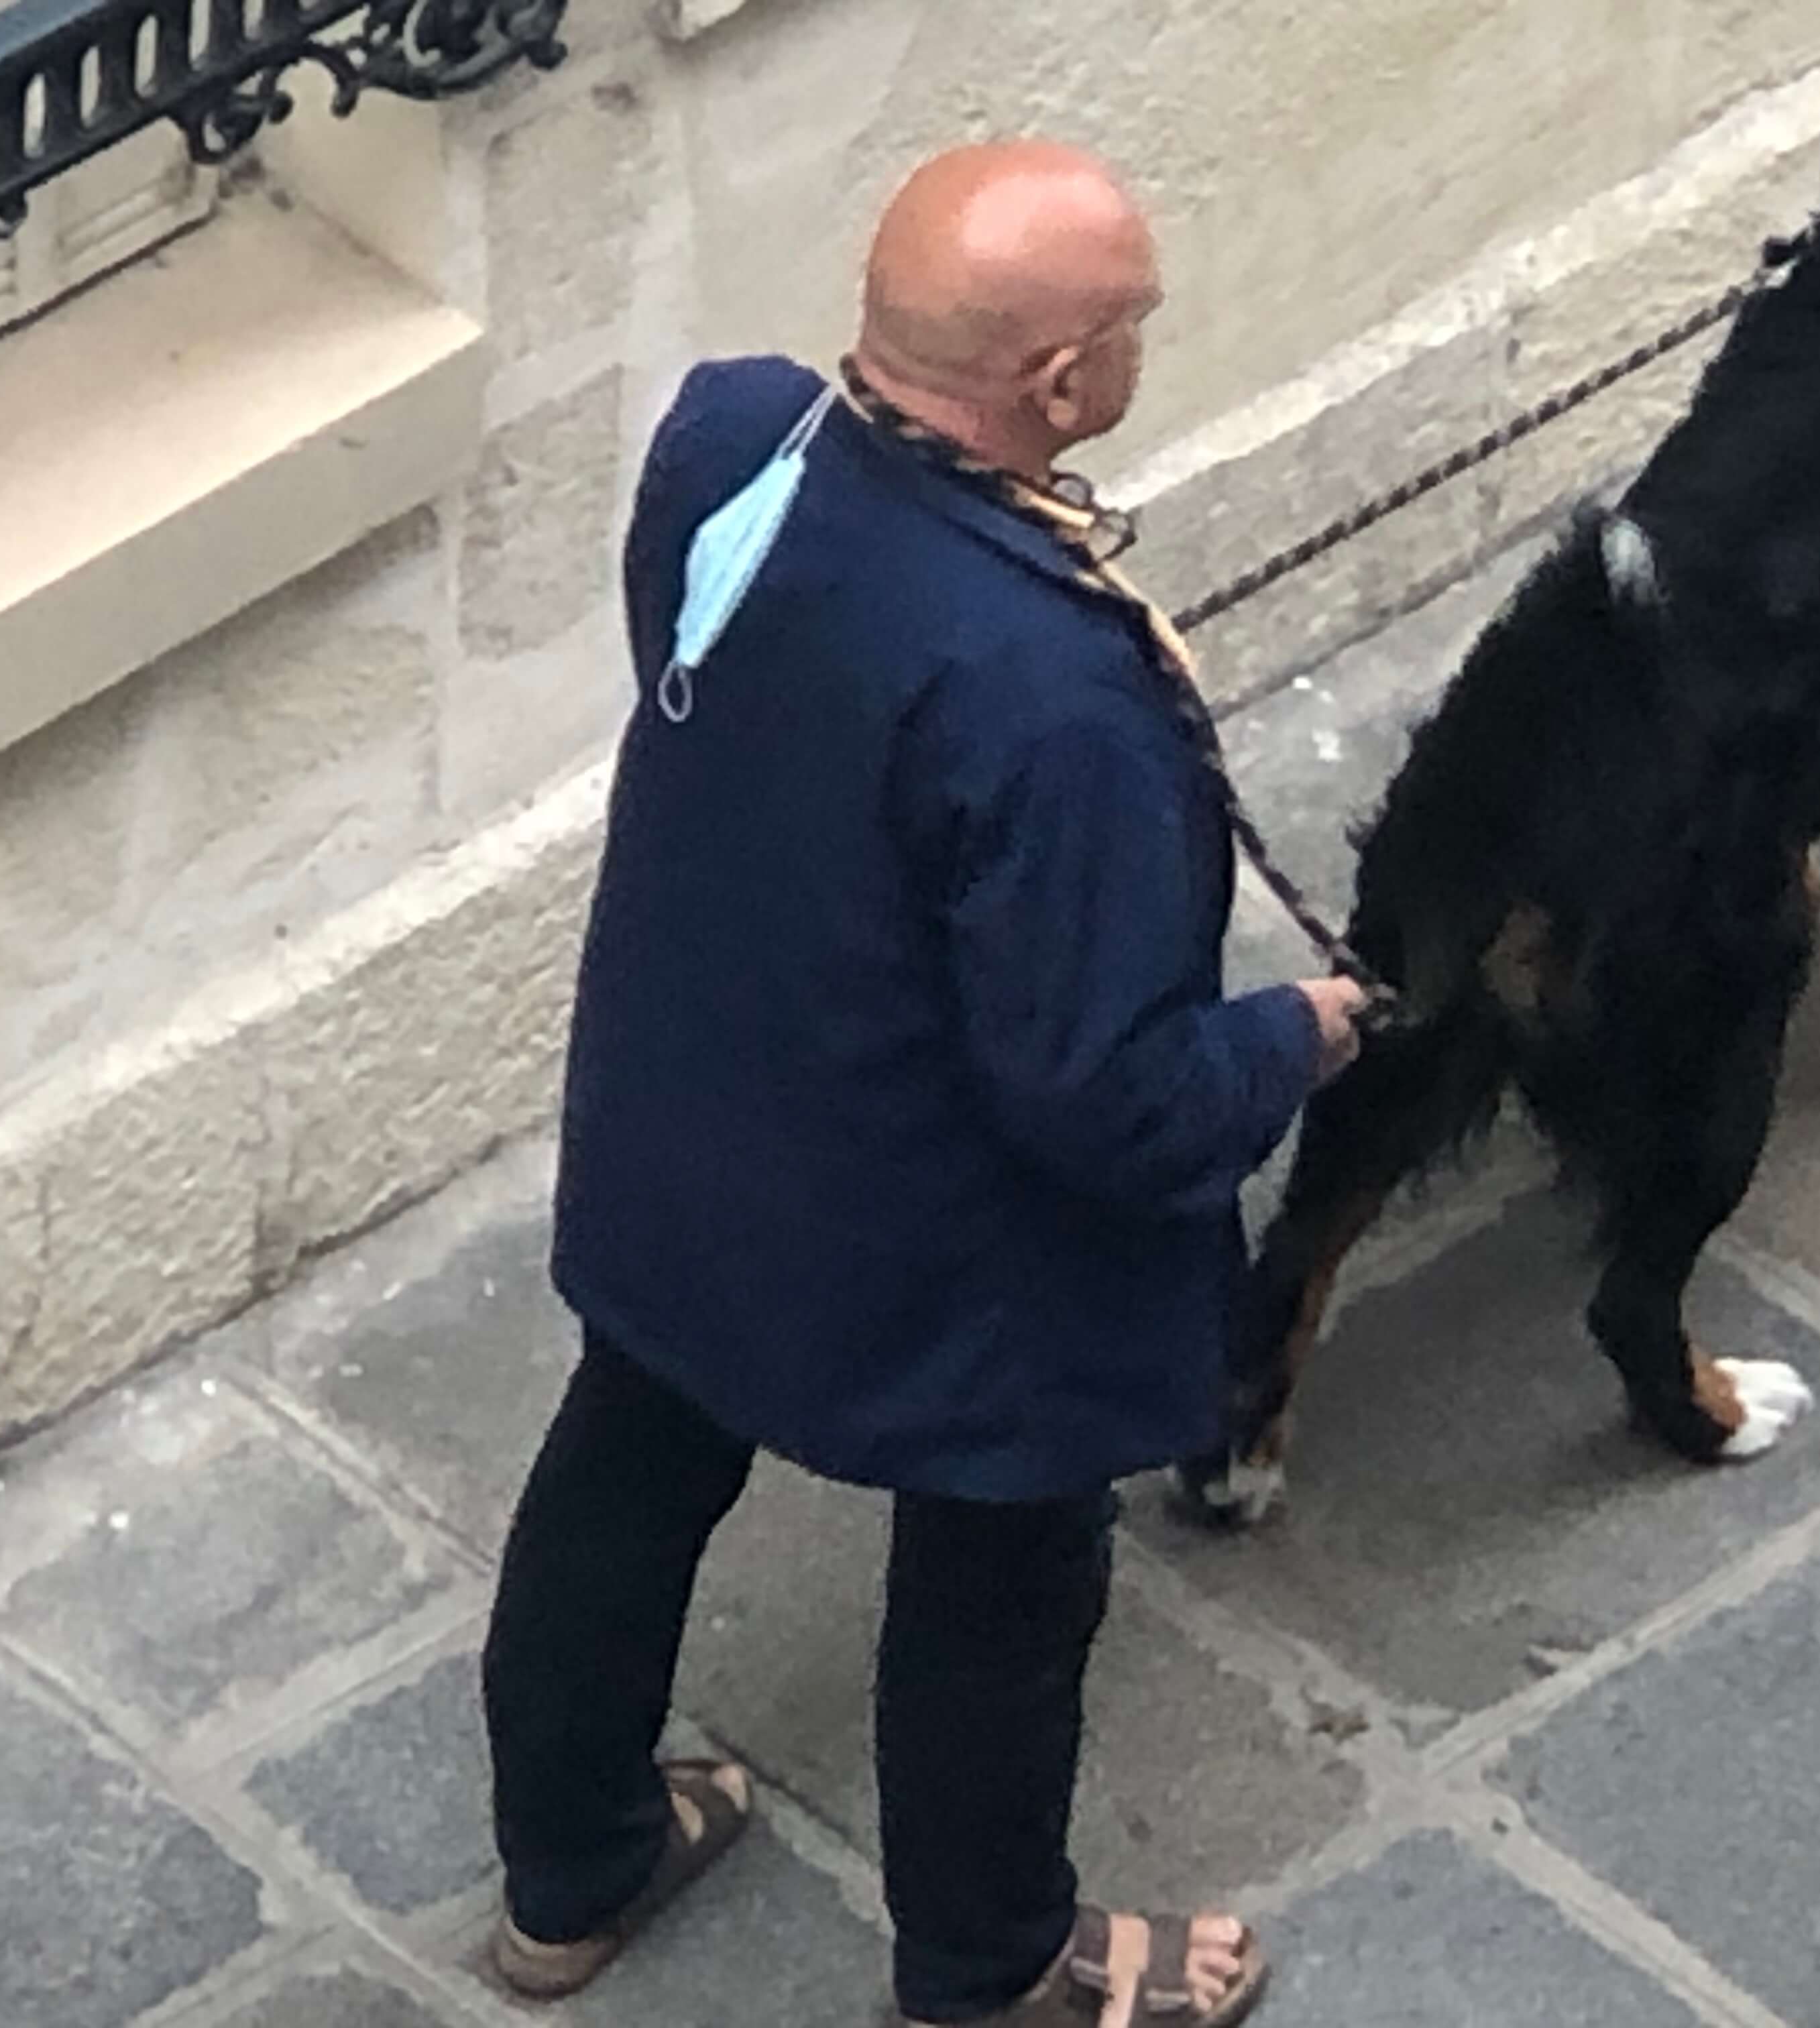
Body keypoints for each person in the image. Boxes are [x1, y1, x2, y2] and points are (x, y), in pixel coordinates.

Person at [477, 138, 1367, 2028]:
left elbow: (705, 687)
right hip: (947, 1251)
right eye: (1130, 329)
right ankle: (994, 1971)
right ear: (1064, 388)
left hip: (697, 1121)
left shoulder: (737, 442)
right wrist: (1296, 1034)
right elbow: (1108, 1097)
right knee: (1002, 1581)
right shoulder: (1053, 704)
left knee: (628, 1462)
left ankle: (572, 1871)